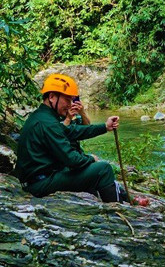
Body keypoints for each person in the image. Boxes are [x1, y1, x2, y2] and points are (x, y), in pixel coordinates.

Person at [15, 73, 124, 202]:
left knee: (88, 171)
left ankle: (125, 199)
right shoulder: (48, 123)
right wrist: (90, 159)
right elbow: (72, 159)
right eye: (67, 99)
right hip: (40, 184)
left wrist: (105, 127)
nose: (70, 104)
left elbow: (73, 131)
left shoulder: (42, 117)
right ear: (52, 97)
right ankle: (116, 213)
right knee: (103, 169)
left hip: (39, 179)